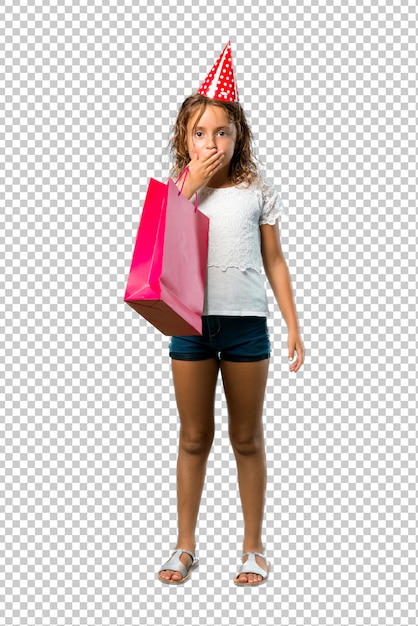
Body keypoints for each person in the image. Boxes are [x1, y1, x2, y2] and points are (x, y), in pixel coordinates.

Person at [157, 42, 304, 586]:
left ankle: (253, 547)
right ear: (184, 138)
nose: (211, 142)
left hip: (247, 326)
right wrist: (188, 187)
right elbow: (159, 245)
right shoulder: (177, 191)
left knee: (248, 437)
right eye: (200, 133)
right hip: (190, 325)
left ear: (238, 134)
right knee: (194, 437)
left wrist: (292, 322)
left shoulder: (256, 189)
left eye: (222, 132)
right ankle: (185, 544)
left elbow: (274, 258)